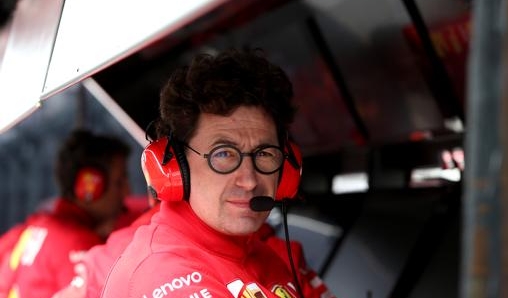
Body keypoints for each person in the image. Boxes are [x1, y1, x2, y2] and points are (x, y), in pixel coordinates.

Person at [101, 48, 336, 298]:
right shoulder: (165, 274)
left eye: (264, 154)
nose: (248, 180)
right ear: (176, 168)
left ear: (287, 167)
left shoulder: (260, 254)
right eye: (223, 154)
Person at [0, 129, 132, 298]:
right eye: (119, 182)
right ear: (89, 186)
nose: (127, 192)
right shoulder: (79, 243)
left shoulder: (40, 225)